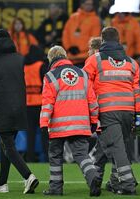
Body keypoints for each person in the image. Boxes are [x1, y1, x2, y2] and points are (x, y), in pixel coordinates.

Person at [84, 27, 140, 195]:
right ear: (119, 40)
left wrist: (91, 112)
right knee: (120, 147)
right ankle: (116, 182)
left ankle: (128, 184)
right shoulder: (132, 63)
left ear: (102, 40)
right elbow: (136, 91)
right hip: (128, 111)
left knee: (117, 149)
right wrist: (137, 115)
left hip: (107, 110)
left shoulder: (94, 60)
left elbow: (85, 87)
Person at [40, 45, 101, 196]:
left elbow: (47, 103)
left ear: (51, 59)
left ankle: (56, 189)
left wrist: (43, 123)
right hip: (80, 124)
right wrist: (94, 120)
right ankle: (93, 176)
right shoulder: (82, 74)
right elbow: (92, 101)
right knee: (82, 155)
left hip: (58, 125)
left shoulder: (50, 76)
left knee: (55, 156)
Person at [0, 29, 39, 194]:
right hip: (20, 107)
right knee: (7, 146)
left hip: (2, 108)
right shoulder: (19, 59)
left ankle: (28, 176)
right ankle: (2, 184)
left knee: (8, 146)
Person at [24, 45, 48, 162]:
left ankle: (30, 157)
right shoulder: (41, 66)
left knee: (30, 134)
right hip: (40, 103)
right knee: (44, 132)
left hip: (27, 104)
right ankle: (46, 157)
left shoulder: (23, 66)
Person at [62, 0, 101, 67]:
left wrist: (80, 50)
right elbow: (66, 34)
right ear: (82, 4)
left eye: (91, 4)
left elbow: (94, 39)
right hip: (70, 57)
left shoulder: (95, 20)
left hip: (85, 58)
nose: (89, 6)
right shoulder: (73, 17)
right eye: (87, 4)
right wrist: (69, 48)